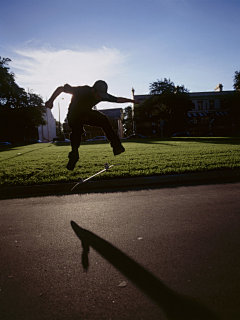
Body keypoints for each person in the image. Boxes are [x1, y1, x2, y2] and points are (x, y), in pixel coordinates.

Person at [45, 80, 140, 170]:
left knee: (104, 119)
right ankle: (74, 155)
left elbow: (117, 99)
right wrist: (50, 101)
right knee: (77, 131)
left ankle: (116, 146)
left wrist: (132, 101)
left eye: (101, 96)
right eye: (98, 95)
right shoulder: (83, 90)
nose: (99, 98)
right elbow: (61, 89)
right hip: (73, 115)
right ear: (93, 90)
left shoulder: (101, 95)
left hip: (86, 114)